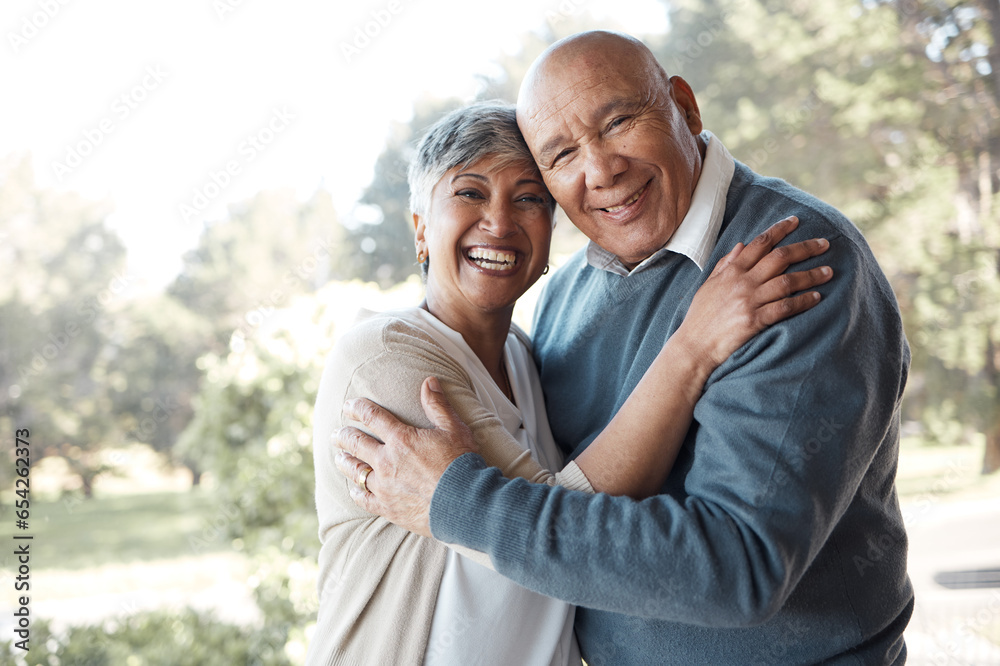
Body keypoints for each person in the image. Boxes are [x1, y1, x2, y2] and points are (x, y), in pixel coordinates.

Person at [335, 30, 913, 665]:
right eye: (560, 156)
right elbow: (568, 498)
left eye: (618, 121)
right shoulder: (564, 299)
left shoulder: (786, 264)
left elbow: (740, 568)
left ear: (685, 109)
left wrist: (458, 502)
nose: (600, 170)